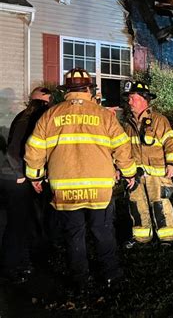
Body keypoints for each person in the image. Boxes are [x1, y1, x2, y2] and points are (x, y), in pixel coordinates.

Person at [24, 68, 136, 291]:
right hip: (100, 188)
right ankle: (111, 276)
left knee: (74, 234)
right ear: (88, 89)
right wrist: (129, 173)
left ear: (67, 90)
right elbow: (122, 148)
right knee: (103, 231)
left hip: (65, 189)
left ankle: (81, 279)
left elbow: (34, 149)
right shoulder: (105, 115)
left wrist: (35, 176)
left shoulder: (50, 115)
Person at [0, 87, 51, 283]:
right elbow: (15, 151)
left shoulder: (24, 115)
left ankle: (24, 262)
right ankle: (11, 268)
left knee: (25, 223)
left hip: (15, 177)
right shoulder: (32, 118)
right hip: (16, 180)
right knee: (17, 225)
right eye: (46, 103)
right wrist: (22, 175)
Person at [122, 81, 173, 247]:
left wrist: (171, 163)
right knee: (137, 205)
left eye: (132, 98)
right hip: (136, 174)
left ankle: (167, 238)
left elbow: (170, 142)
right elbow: (123, 148)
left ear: (144, 99)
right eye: (129, 99)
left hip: (157, 173)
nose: (129, 102)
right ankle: (141, 237)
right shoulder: (128, 124)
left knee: (160, 204)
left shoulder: (159, 121)